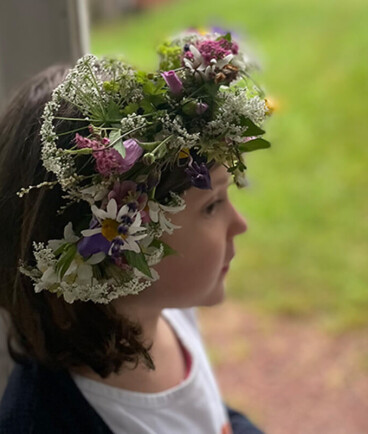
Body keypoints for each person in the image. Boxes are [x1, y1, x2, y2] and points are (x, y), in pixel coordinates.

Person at [0, 30, 271, 433]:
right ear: (119, 247)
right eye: (212, 204)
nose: (240, 224)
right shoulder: (46, 422)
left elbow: (207, 418)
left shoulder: (166, 316)